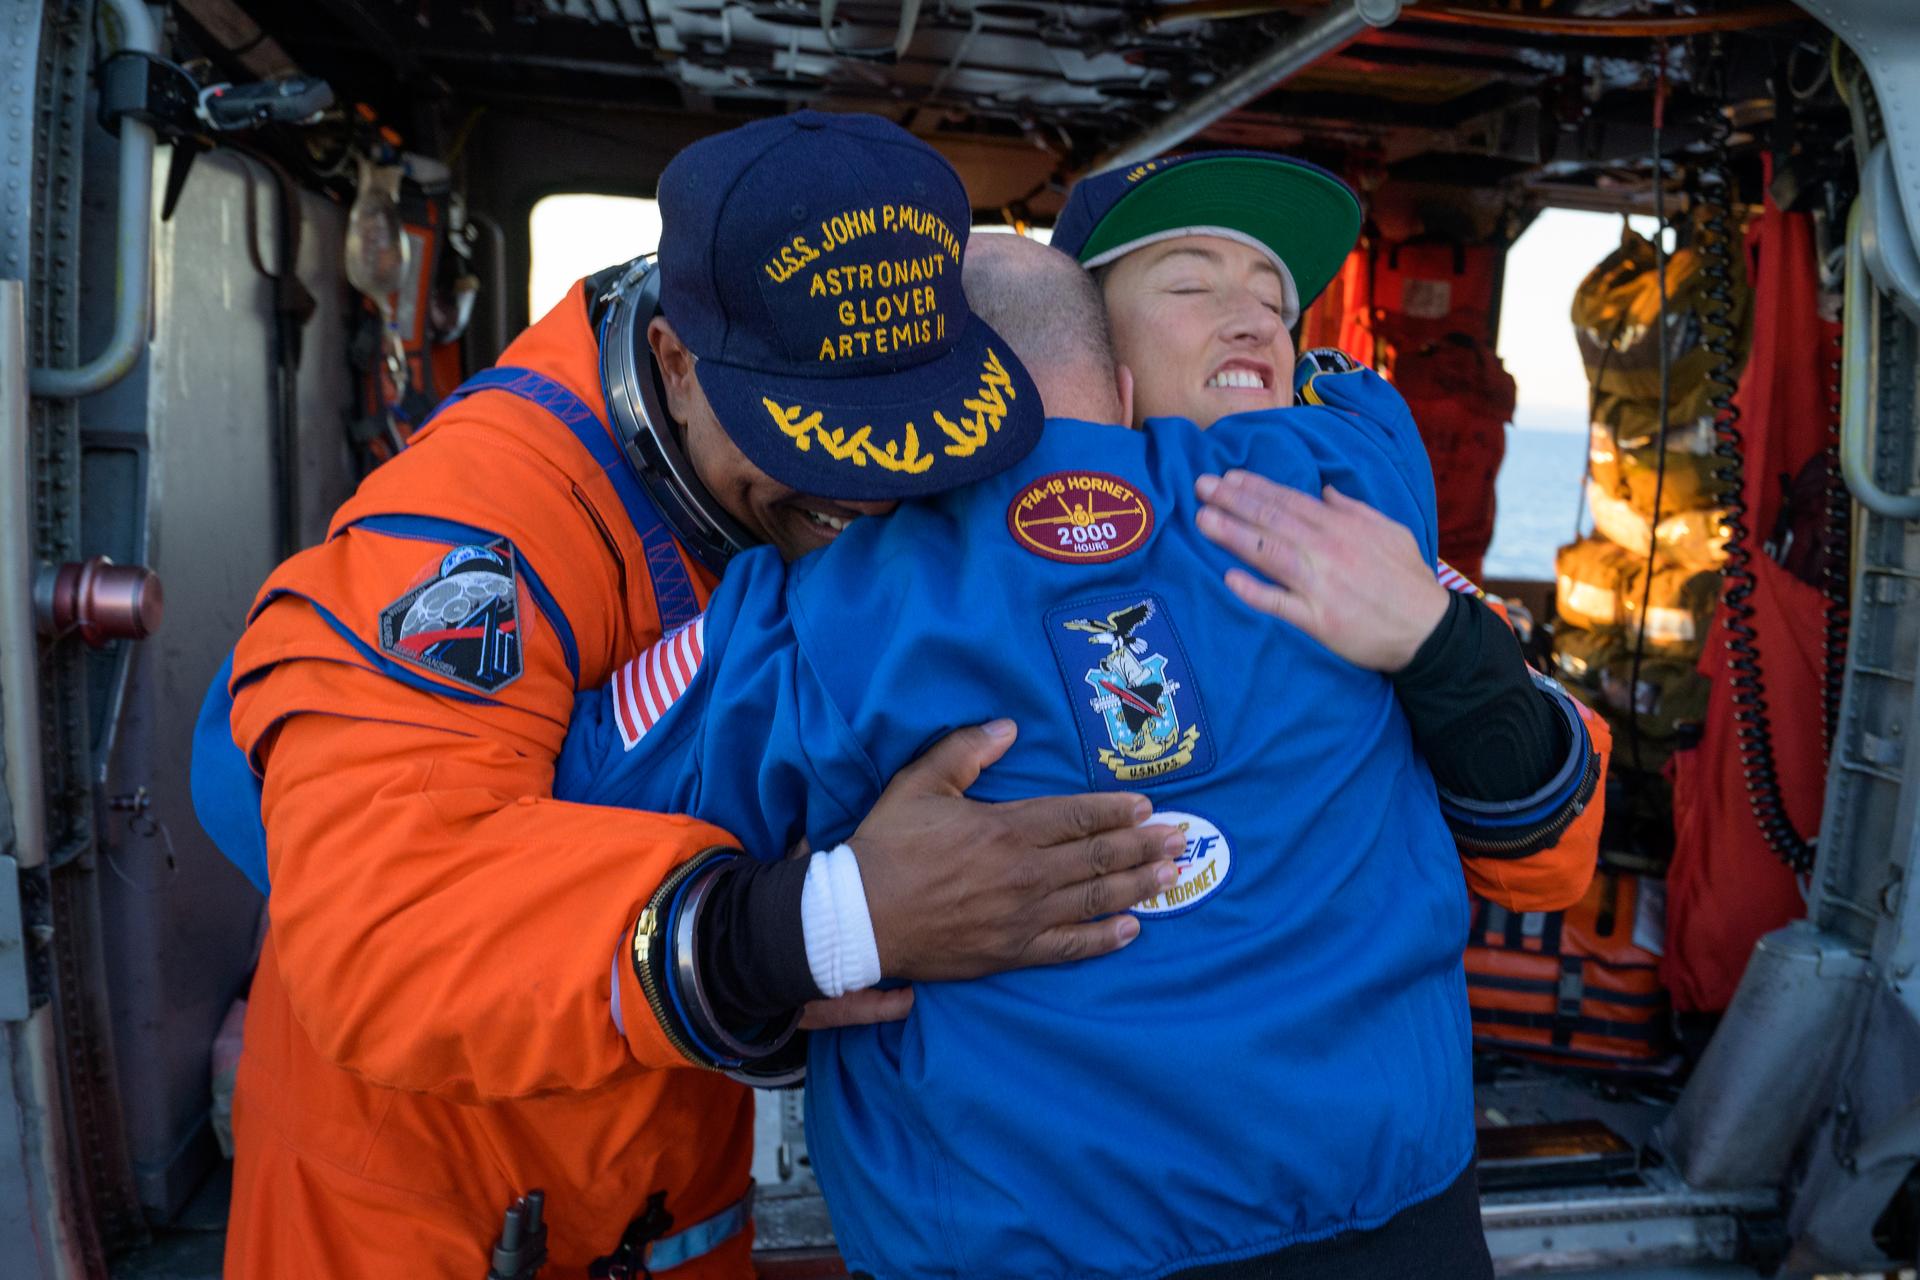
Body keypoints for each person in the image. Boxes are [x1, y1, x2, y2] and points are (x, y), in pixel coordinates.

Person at [195, 113, 1187, 1279]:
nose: (869, 503)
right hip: (428, 1214)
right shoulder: (483, 531)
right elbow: (381, 925)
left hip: (671, 1190)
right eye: (821, 445)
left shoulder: (846, 466)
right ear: (673, 357)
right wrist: (821, 923)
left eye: (901, 442)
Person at [552, 234, 1583, 1278]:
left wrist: (813, 915)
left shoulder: (808, 616)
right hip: (1404, 1223)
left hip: (1019, 1247)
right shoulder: (1342, 486)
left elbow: (588, 785)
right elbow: (1359, 398)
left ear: (914, 408)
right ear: (1125, 387)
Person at [1053, 149, 1609, 898]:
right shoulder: (969, 553)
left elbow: (1548, 865)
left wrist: (1437, 642)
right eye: (1190, 283)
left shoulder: (1352, 528)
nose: (1254, 320)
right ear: (1082, 344)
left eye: (1272, 302)